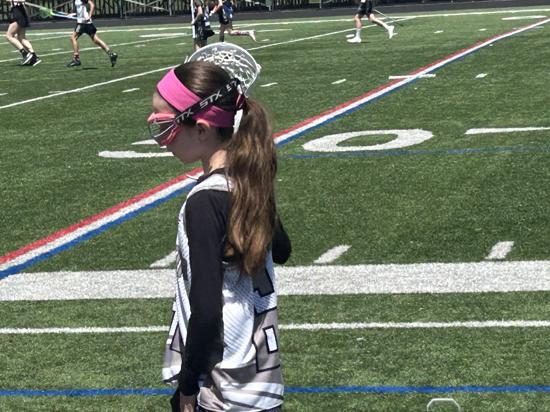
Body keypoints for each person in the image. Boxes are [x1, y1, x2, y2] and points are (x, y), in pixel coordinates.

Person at [148, 60, 290, 412]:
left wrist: (186, 386)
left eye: (164, 125)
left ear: (201, 130)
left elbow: (207, 311)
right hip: (262, 387)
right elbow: (282, 249)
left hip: (220, 390)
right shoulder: (247, 186)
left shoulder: (204, 202)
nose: (161, 139)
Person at [66, 0, 117, 67]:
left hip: (82, 23)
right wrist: (72, 14)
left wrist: (89, 15)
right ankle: (111, 54)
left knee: (73, 38)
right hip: (86, 23)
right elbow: (80, 9)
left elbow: (92, 5)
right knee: (96, 40)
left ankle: (76, 59)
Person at [5, 0, 41, 66]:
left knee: (9, 36)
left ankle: (25, 54)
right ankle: (34, 57)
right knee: (21, 38)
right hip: (21, 13)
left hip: (18, 13)